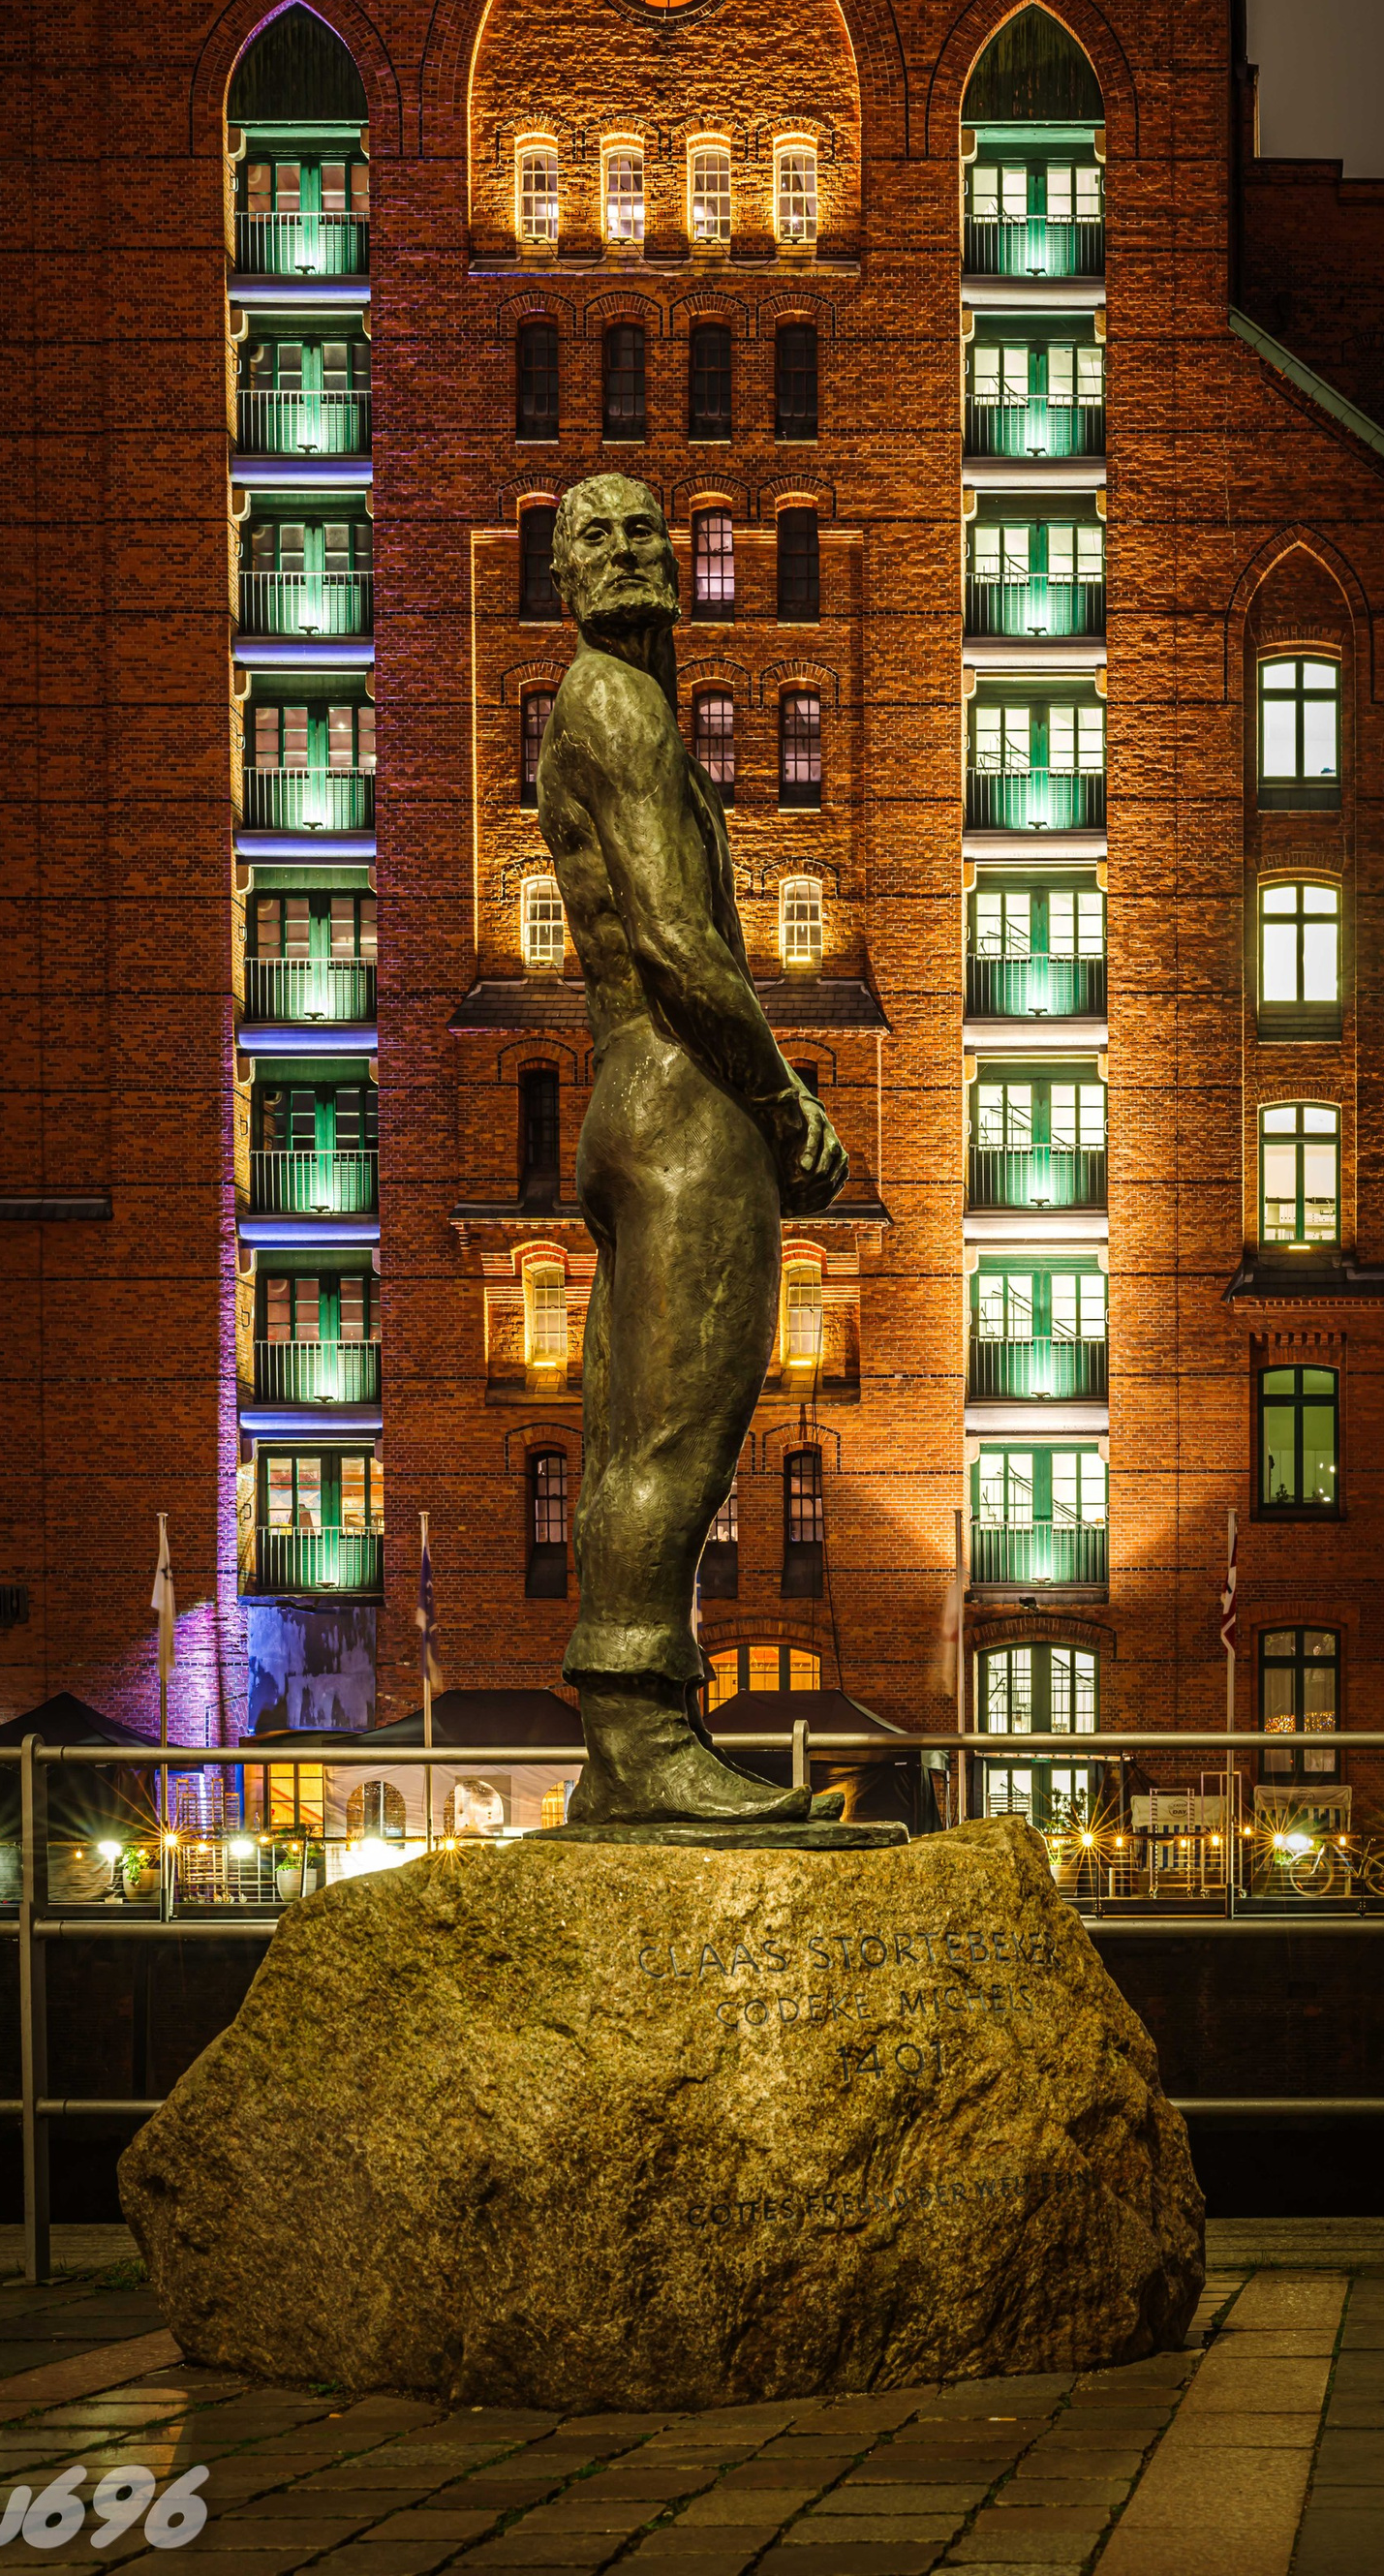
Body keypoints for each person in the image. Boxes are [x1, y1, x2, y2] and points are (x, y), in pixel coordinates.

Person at [538, 473, 850, 1826]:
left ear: (673, 558)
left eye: (639, 529)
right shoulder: (618, 700)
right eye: (590, 535)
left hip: (632, 1092)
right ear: (565, 578)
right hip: (680, 1100)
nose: (623, 552)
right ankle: (643, 1729)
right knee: (686, 1425)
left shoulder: (604, 709)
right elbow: (674, 933)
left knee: (627, 1426)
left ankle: (625, 1751)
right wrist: (782, 1103)